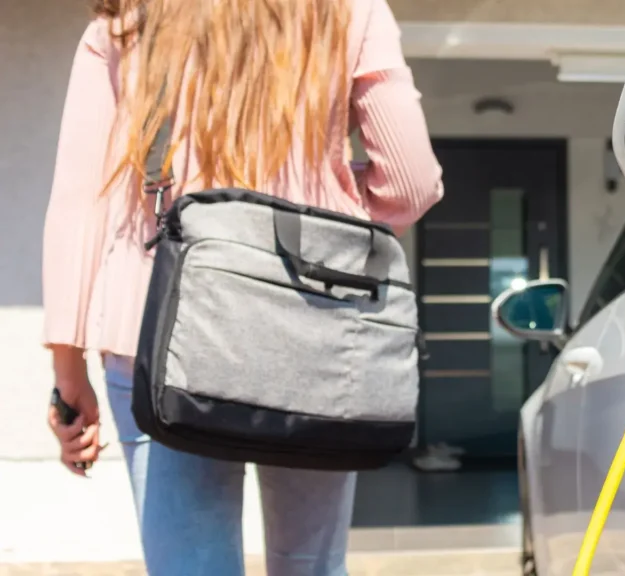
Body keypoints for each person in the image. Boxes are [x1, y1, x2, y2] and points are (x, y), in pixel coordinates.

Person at [41, 0, 443, 573]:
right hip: (313, 321)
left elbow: (80, 202)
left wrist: (66, 369)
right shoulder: (352, 10)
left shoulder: (126, 18)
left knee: (190, 565)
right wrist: (328, 195)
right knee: (311, 566)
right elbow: (412, 183)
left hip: (156, 335)